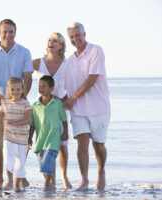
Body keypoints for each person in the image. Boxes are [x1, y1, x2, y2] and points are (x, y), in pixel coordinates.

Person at [0, 19, 33, 190]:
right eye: (5, 32)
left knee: (18, 144)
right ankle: (0, 179)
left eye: (11, 31)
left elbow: (28, 77)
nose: (8, 35)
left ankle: (18, 177)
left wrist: (22, 99)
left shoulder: (24, 52)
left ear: (15, 33)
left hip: (17, 106)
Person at [63, 22, 111, 191]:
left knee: (98, 145)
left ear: (84, 34)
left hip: (98, 107)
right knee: (82, 142)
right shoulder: (69, 61)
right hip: (78, 109)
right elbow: (65, 85)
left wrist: (73, 97)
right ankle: (84, 180)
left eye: (78, 35)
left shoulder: (96, 50)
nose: (75, 39)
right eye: (72, 37)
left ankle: (101, 170)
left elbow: (92, 78)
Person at [33, 32, 72, 189]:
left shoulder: (68, 64)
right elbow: (23, 76)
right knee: (45, 145)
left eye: (55, 41)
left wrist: (67, 98)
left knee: (62, 145)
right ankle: (50, 180)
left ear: (61, 46)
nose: (51, 42)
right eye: (49, 40)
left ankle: (64, 177)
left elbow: (76, 83)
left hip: (60, 110)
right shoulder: (37, 63)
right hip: (42, 111)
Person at [0, 77, 32, 192]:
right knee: (8, 157)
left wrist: (15, 122)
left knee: (20, 162)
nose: (15, 92)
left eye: (17, 89)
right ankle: (9, 181)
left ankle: (16, 184)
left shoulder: (26, 104)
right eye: (12, 89)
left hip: (21, 140)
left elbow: (28, 119)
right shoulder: (5, 104)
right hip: (8, 137)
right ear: (8, 90)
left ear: (22, 90)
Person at [29, 75, 68, 191]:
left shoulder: (57, 104)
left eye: (44, 86)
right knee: (42, 164)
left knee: (49, 160)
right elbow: (32, 125)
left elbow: (64, 120)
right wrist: (29, 138)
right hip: (41, 139)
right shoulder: (35, 106)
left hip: (54, 138)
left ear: (51, 89)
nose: (40, 89)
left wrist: (65, 132)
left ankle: (46, 184)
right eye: (39, 86)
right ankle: (50, 183)